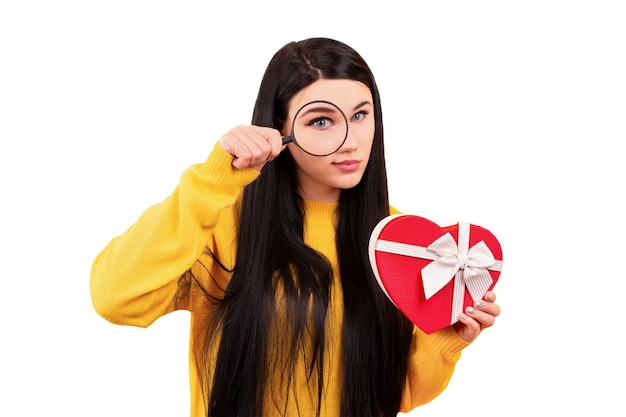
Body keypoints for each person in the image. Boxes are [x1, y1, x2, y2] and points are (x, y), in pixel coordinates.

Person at [90, 37, 501, 417]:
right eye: (321, 121)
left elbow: (397, 394)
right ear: (280, 128)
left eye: (360, 115)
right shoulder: (222, 222)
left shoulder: (400, 241)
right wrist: (213, 180)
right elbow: (115, 297)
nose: (350, 141)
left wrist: (448, 338)